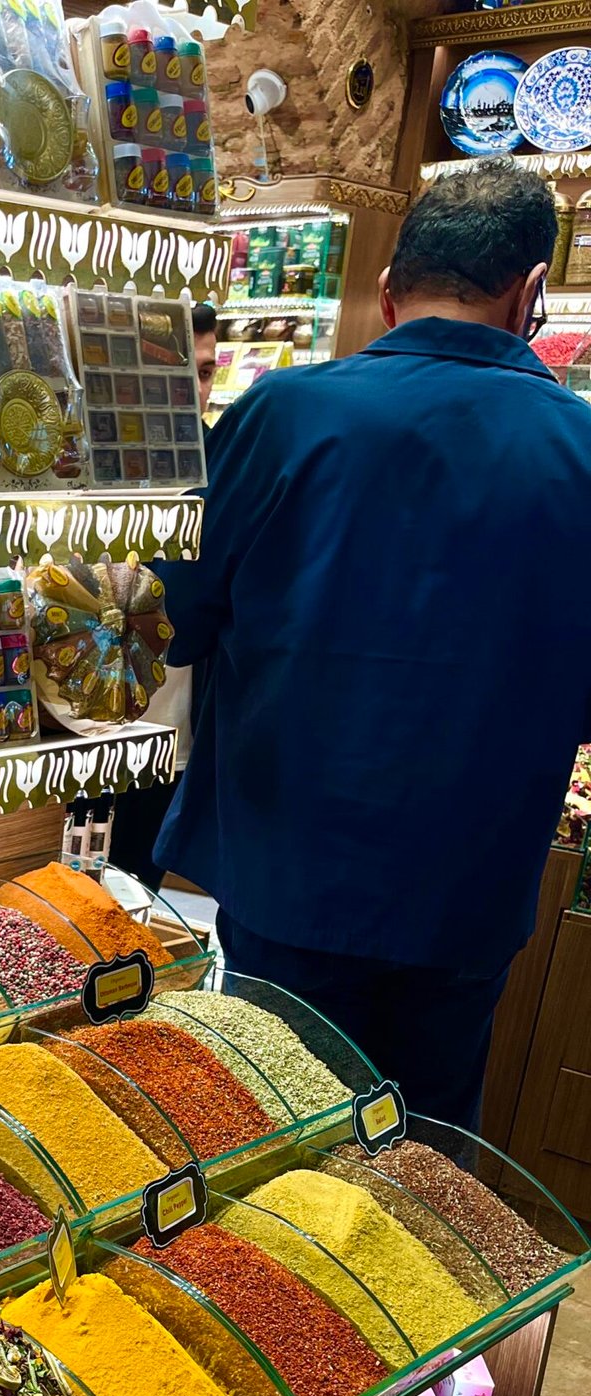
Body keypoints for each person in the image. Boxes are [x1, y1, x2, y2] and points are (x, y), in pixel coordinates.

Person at [152, 162, 591, 1131]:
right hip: (465, 900)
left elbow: (173, 613)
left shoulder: (283, 415)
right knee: (420, 1178)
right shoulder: (581, 453)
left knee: (262, 1157)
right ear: (531, 296)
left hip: (286, 880)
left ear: (388, 288)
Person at [104, 301, 219, 889]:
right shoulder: (88, 455)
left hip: (165, 738)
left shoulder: (221, 464)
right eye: (175, 375)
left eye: (202, 374)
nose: (191, 393)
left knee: (127, 900)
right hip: (70, 723)